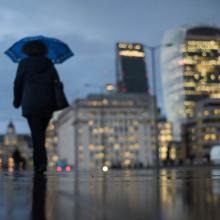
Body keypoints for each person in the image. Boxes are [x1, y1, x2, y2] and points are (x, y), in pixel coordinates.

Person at [13, 40, 59, 174]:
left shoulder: (24, 63)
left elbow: (17, 83)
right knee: (41, 134)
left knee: (36, 134)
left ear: (27, 50)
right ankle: (42, 163)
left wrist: (17, 100)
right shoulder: (48, 63)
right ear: (43, 50)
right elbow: (56, 81)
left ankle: (39, 163)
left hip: (30, 103)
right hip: (47, 103)